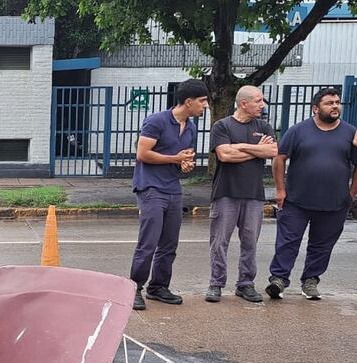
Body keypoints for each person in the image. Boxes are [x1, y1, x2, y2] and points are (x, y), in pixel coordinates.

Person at [266, 87, 357, 301]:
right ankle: (278, 280)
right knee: (288, 241)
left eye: (337, 102)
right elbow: (280, 158)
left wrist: (352, 192)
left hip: (334, 203)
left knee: (322, 245)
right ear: (315, 108)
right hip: (296, 200)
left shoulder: (350, 133)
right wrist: (280, 189)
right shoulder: (298, 131)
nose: (335, 106)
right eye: (329, 103)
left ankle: (311, 280)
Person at [129, 79, 209, 311]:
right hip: (151, 187)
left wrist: (184, 165)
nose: (205, 106)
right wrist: (175, 159)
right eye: (203, 102)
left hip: (173, 188)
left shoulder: (191, 128)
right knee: (149, 242)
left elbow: (184, 158)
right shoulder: (157, 121)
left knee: (169, 243)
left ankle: (159, 287)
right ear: (189, 101)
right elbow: (143, 154)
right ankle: (134, 287)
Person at [204, 86, 278, 304]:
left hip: (254, 194)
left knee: (250, 242)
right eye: (258, 101)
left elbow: (272, 152)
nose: (262, 104)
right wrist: (255, 149)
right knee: (219, 242)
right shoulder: (222, 125)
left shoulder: (264, 126)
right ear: (243, 103)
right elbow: (225, 155)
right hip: (225, 192)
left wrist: (242, 147)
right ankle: (216, 283)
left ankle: (245, 284)